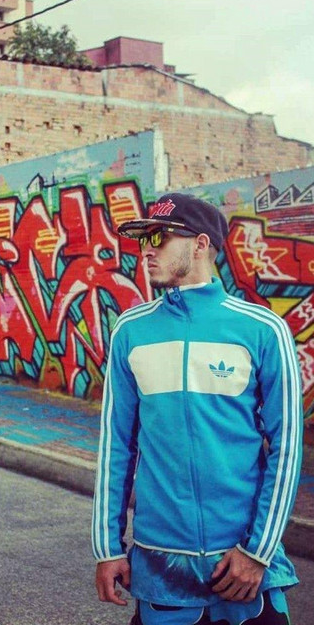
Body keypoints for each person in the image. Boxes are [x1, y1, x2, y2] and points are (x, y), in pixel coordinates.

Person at [92, 193, 303, 625]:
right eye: (143, 239)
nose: (146, 250)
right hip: (161, 569)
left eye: (160, 237)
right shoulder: (131, 331)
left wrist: (258, 551)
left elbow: (287, 448)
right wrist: (107, 548)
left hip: (243, 567)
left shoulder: (263, 329)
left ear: (201, 244)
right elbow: (115, 446)